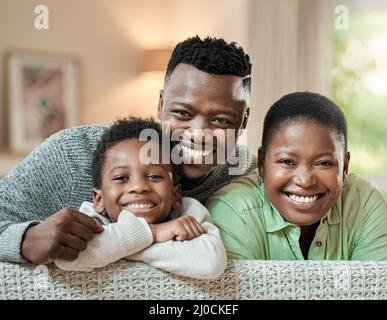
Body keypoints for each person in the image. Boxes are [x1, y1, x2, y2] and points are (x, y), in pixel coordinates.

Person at [0, 35, 256, 264]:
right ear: (160, 103)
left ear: (243, 121)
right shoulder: (72, 153)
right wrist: (25, 239)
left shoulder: (249, 176)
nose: (199, 134)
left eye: (221, 121)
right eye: (182, 113)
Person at [207, 92, 387, 260]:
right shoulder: (232, 212)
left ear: (345, 167)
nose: (305, 180)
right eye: (287, 162)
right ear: (262, 164)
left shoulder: (365, 205)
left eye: (324, 163)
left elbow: (374, 289)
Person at [55, 118, 226, 279]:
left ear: (175, 195)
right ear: (99, 199)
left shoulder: (188, 213)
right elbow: (68, 258)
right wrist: (154, 233)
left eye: (154, 176)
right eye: (121, 178)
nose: (139, 186)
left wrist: (117, 250)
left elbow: (211, 263)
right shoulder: (91, 220)